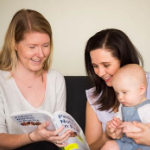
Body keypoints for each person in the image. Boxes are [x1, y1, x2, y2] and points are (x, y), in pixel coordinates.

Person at [0, 9, 71, 150]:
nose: (40, 54)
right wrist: (33, 137)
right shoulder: (2, 80)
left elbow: (61, 131)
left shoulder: (56, 79)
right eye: (32, 47)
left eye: (45, 46)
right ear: (14, 43)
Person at [84, 28, 150, 150]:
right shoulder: (95, 98)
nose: (100, 73)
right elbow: (89, 148)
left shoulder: (146, 83)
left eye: (106, 65)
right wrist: (106, 136)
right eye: (95, 66)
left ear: (123, 59)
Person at [101, 64, 150, 150]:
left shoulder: (147, 108)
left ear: (141, 89)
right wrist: (115, 126)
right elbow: (118, 120)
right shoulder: (122, 106)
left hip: (144, 145)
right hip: (126, 142)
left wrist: (133, 128)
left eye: (124, 92)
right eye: (117, 93)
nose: (120, 97)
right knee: (109, 145)